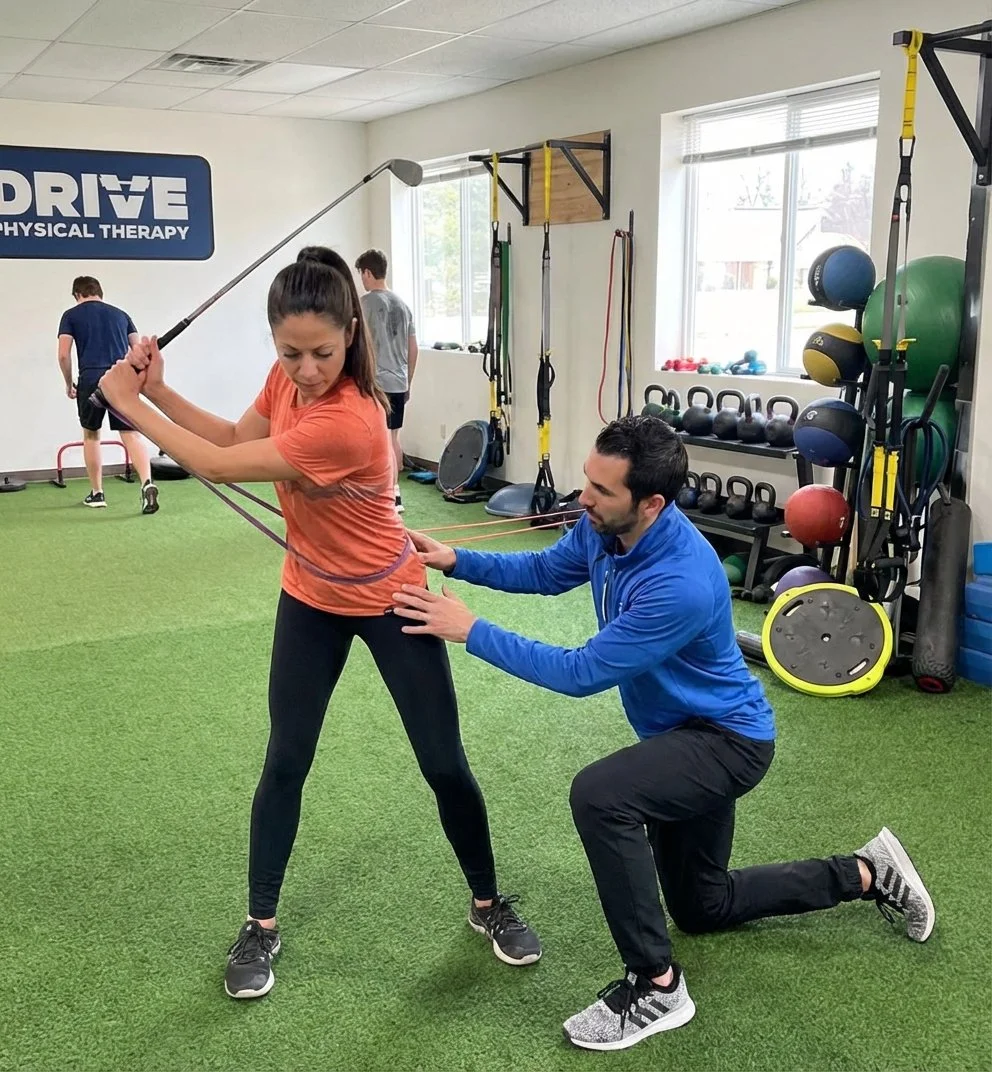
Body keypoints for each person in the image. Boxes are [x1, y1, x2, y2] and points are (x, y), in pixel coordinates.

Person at [391, 415, 936, 1053]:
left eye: (601, 490)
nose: (583, 498)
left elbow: (580, 672)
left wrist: (471, 630)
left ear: (650, 502)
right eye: (587, 480)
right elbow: (545, 571)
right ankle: (866, 872)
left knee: (601, 795)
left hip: (726, 742)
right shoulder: (604, 527)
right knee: (702, 907)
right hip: (680, 738)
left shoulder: (676, 581)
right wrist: (455, 559)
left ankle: (656, 986)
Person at [96, 245, 541, 1001]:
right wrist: (160, 392)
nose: (305, 370)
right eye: (290, 353)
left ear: (352, 339)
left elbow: (213, 465)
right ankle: (260, 924)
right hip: (310, 595)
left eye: (322, 354)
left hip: (390, 597)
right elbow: (235, 440)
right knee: (286, 760)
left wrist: (128, 403)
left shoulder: (351, 422)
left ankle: (489, 903)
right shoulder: (289, 379)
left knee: (442, 761)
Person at [57, 276, 158, 513]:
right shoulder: (121, 315)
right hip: (121, 376)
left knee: (91, 435)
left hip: (91, 378)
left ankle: (97, 493)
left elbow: (63, 354)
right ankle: (147, 483)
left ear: (77, 295)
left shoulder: (71, 315)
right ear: (99, 292)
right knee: (130, 433)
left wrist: (68, 382)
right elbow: (138, 351)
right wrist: (135, 382)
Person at [355, 248, 418, 514]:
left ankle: (383, 496)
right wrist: (408, 383)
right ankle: (395, 494)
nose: (362, 280)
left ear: (368, 273)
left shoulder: (365, 303)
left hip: (375, 383)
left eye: (361, 275)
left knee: (375, 439)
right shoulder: (403, 305)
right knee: (393, 437)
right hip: (398, 382)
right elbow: (412, 348)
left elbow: (354, 342)